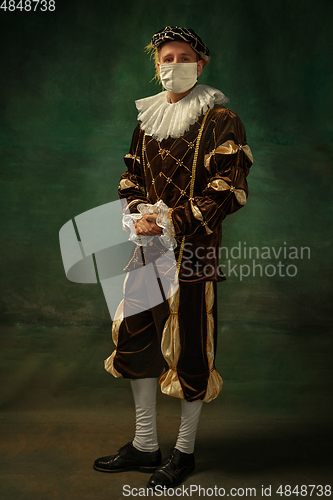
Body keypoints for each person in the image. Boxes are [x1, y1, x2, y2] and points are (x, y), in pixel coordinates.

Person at [93, 26, 253, 490]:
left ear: (200, 65)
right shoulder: (148, 119)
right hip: (146, 250)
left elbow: (228, 189)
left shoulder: (222, 119)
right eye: (166, 57)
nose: (174, 64)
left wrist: (171, 221)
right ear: (157, 65)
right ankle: (146, 444)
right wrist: (138, 215)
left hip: (193, 251)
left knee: (189, 346)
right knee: (137, 337)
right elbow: (131, 178)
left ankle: (183, 451)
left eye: (184, 57)